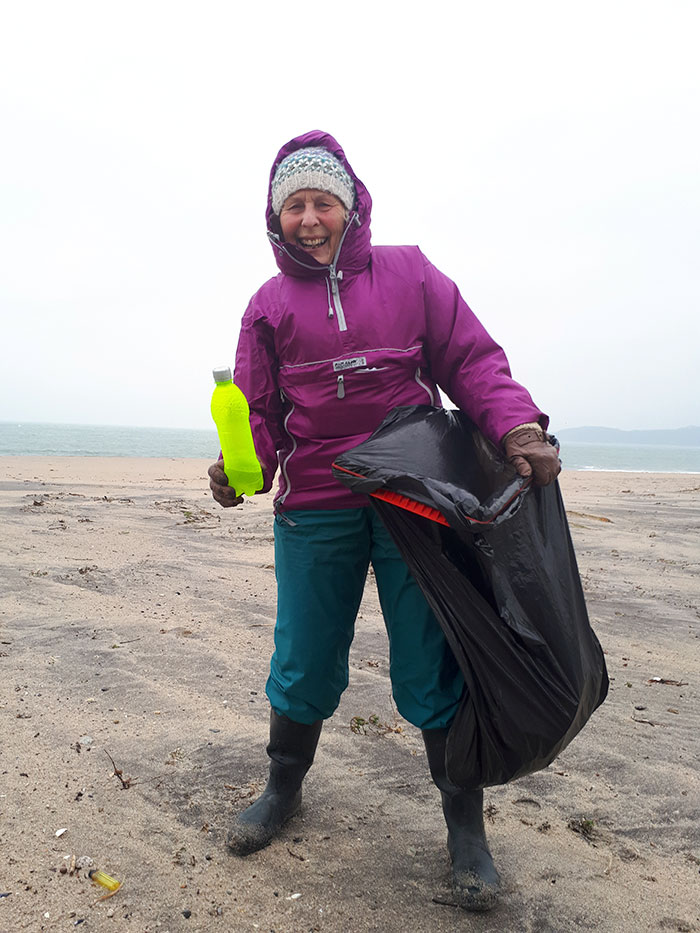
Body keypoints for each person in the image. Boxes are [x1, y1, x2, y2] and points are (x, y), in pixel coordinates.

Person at [208, 130, 560, 912]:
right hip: (318, 505)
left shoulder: (409, 273)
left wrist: (516, 428)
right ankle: (282, 789)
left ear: (350, 205)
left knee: (430, 664)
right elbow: (259, 414)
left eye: (321, 202)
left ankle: (465, 829)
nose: (308, 218)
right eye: (293, 204)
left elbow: (472, 361)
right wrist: (242, 472)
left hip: (412, 496)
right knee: (302, 655)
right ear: (275, 218)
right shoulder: (266, 307)